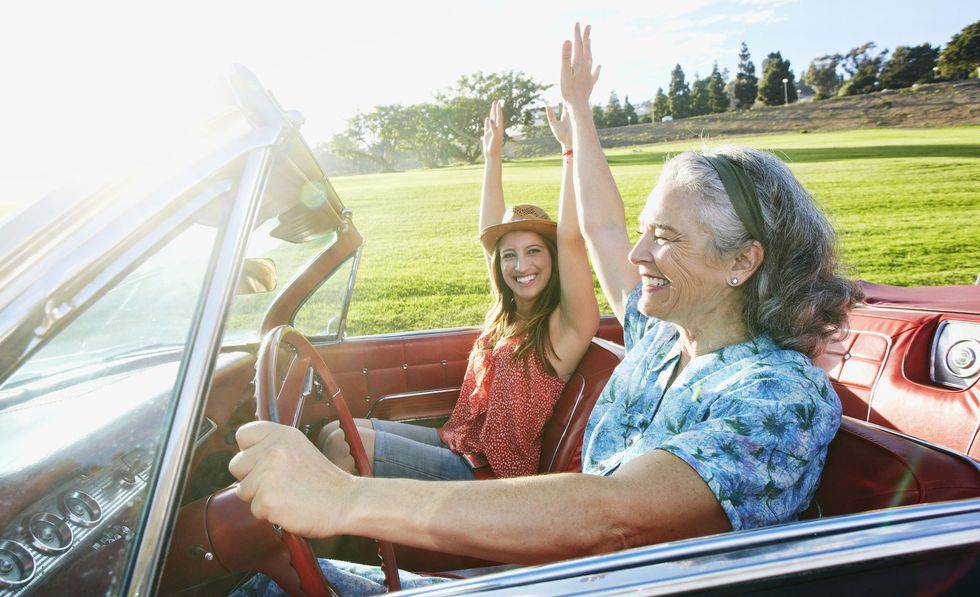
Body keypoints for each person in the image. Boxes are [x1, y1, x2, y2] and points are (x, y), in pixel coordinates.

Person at [228, 23, 862, 594]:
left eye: (665, 237)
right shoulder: (660, 335)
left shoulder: (781, 397)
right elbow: (604, 229)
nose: (638, 251)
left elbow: (615, 515)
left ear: (741, 261)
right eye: (647, 230)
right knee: (262, 580)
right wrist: (580, 114)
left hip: (588, 583)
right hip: (550, 571)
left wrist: (345, 499)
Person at [317, 99, 600, 481]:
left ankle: (331, 541)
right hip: (460, 444)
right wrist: (493, 156)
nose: (521, 266)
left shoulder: (564, 330)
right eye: (509, 256)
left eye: (535, 252)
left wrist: (569, 150)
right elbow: (488, 236)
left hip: (495, 479)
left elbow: (571, 239)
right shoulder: (508, 312)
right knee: (334, 430)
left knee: (342, 444)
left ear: (552, 259)